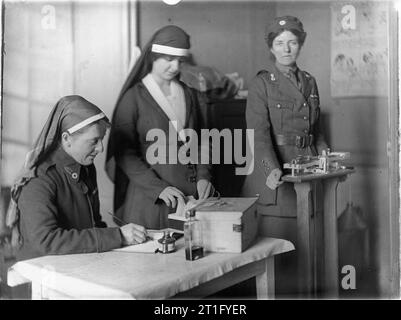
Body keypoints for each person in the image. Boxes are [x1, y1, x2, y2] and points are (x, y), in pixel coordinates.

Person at [241, 16, 328, 295]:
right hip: (277, 181)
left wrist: (328, 157)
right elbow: (258, 134)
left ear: (300, 44)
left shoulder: (310, 82)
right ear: (272, 48)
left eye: (292, 42)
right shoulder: (262, 84)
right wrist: (271, 168)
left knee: (309, 253)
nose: (286, 48)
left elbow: (317, 130)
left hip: (308, 172)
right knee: (283, 257)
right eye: (280, 43)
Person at [6, 95, 147, 261]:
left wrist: (125, 239)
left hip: (76, 263)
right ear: (66, 139)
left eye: (101, 140)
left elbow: (94, 224)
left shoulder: (86, 167)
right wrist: (118, 236)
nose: (100, 148)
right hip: (43, 273)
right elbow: (45, 241)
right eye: (94, 141)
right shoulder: (38, 178)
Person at [105, 25, 213, 229]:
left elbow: (202, 141)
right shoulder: (133, 98)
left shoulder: (189, 94)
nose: (175, 67)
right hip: (150, 200)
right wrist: (158, 188)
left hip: (190, 198)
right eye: (169, 59)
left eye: (180, 61)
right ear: (153, 57)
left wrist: (203, 177)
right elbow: (124, 154)